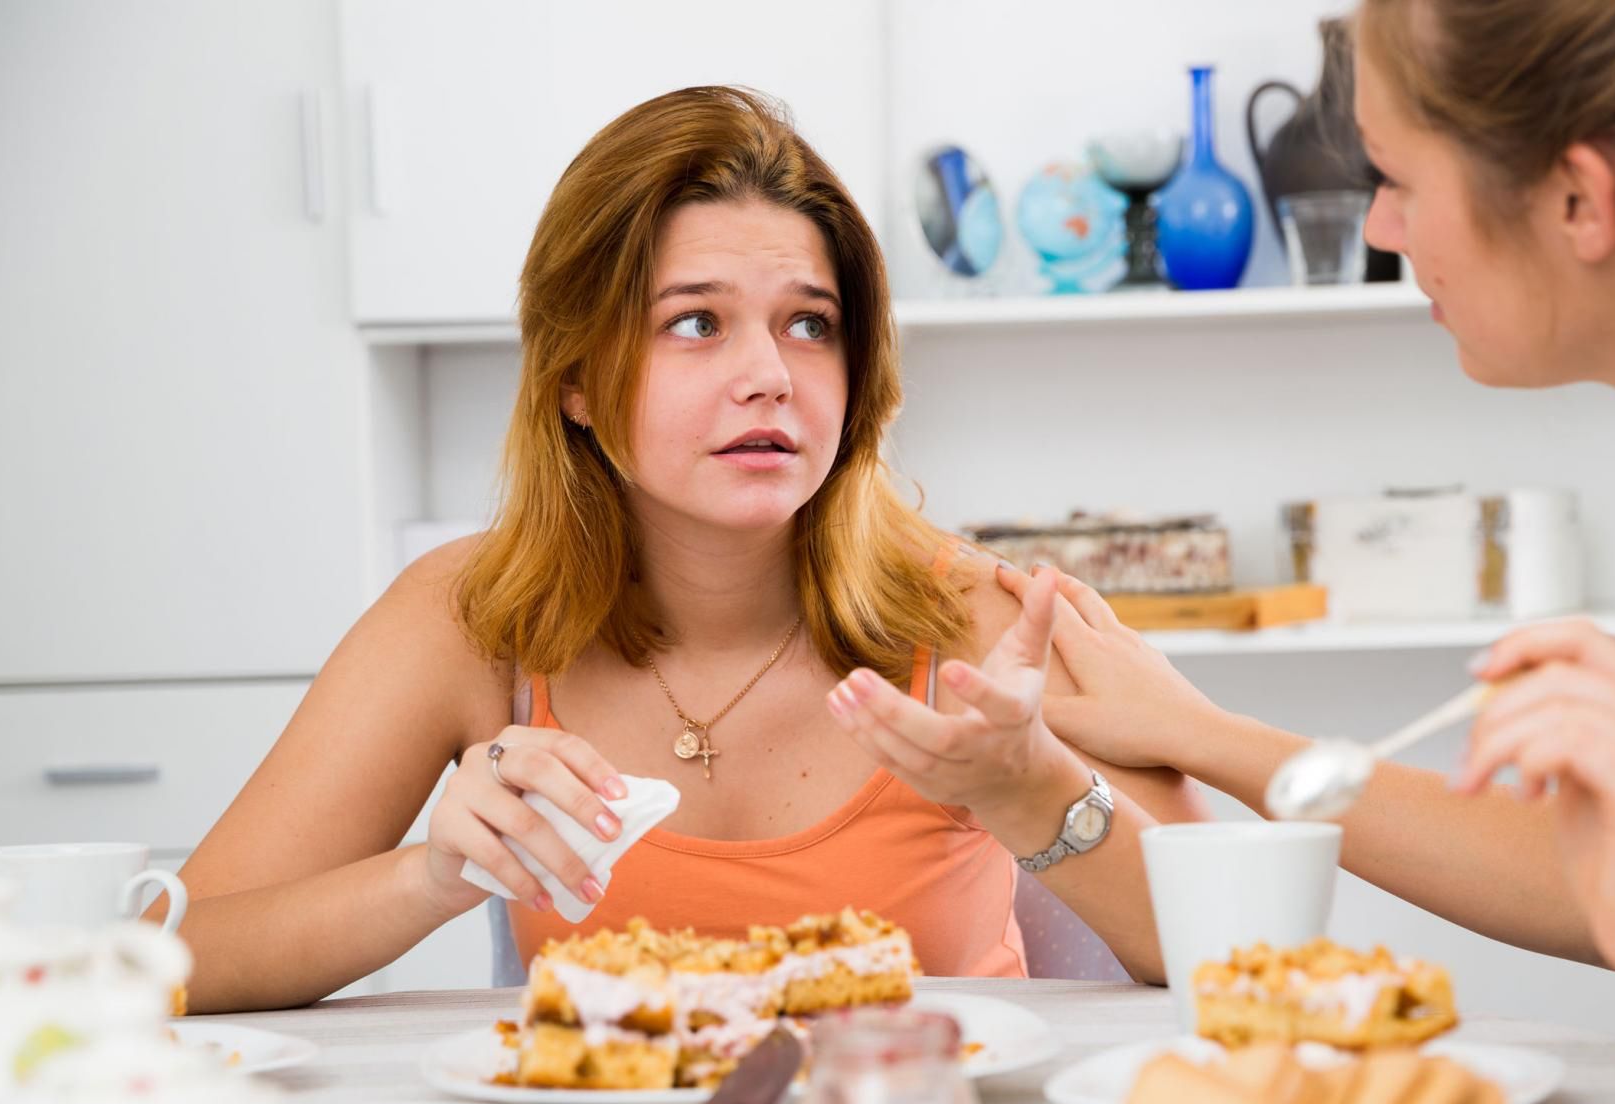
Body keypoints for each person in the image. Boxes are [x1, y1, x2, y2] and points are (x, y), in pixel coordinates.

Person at [863, 0, 1615, 1104]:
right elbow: (1603, 876)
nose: (1382, 228)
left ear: (1580, 202)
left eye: (1395, 177)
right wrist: (1204, 732)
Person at [164, 86, 1203, 1012]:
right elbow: (172, 955)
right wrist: (435, 873)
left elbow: (1233, 947)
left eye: (810, 324)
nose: (771, 375)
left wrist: (1036, 784)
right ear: (575, 378)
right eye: (697, 324)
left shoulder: (982, 617)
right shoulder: (468, 619)